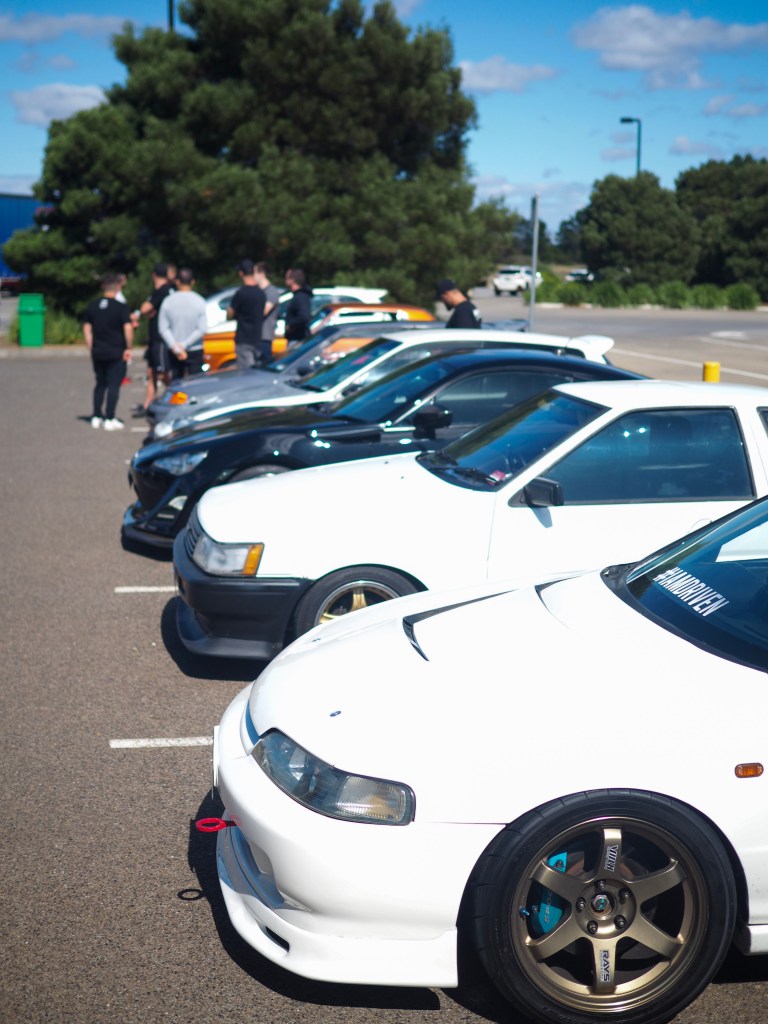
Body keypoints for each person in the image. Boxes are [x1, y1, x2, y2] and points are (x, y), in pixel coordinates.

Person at [82, 272, 134, 430]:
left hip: (98, 351)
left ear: (102, 286)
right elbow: (128, 328)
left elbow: (87, 328)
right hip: (116, 351)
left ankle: (96, 415)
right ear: (117, 287)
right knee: (114, 385)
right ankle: (109, 417)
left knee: (100, 383)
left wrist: (91, 346)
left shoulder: (93, 305)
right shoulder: (121, 307)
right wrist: (129, 347)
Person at [134, 263, 175, 415]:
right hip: (155, 338)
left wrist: (141, 312)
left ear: (154, 275)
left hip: (160, 338)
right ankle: (148, 404)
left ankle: (178, 397)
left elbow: (145, 308)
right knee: (152, 373)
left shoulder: (162, 291)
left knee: (163, 373)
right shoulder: (166, 291)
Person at [158, 267, 207, 379]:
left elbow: (163, 328)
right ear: (193, 282)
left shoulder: (168, 301)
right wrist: (185, 344)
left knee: (177, 383)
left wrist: (176, 347)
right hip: (195, 349)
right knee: (197, 383)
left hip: (174, 350)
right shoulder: (200, 301)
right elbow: (202, 329)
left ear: (177, 281)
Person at [226, 259, 267, 369]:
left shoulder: (241, 293)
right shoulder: (261, 293)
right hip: (257, 339)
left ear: (241, 273)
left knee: (246, 372)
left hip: (244, 339)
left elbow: (230, 314)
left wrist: (230, 313)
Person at [253, 261, 281, 365]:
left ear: (261, 274)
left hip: (265, 336)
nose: (253, 276)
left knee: (263, 363)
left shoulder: (271, 291)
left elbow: (263, 311)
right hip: (255, 335)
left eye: (254, 272)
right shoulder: (257, 291)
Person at [283, 267, 313, 344]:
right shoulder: (298, 296)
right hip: (295, 338)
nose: (285, 280)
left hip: (297, 339)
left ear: (293, 280)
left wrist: (291, 325)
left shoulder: (301, 297)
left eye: (287, 278)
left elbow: (304, 317)